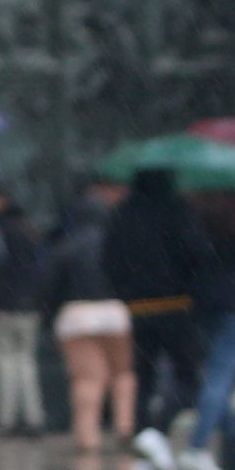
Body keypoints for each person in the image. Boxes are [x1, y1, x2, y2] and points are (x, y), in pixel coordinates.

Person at [102, 168, 218, 470]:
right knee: (190, 377)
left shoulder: (122, 215)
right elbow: (198, 253)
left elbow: (109, 259)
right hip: (177, 305)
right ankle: (159, 428)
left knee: (143, 376)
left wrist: (125, 291)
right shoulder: (178, 212)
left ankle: (144, 434)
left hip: (139, 309)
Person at [42, 185, 137, 455]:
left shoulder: (65, 247)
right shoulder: (117, 244)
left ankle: (87, 436)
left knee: (87, 379)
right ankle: (125, 426)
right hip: (114, 312)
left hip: (77, 316)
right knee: (123, 373)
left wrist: (50, 315)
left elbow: (48, 287)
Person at [185, 192, 235, 470]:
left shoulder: (202, 225)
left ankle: (233, 439)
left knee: (215, 374)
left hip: (204, 304)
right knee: (221, 375)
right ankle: (197, 446)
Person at [0, 186, 45, 436]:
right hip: (27, 306)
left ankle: (4, 419)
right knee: (25, 362)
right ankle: (33, 417)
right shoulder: (28, 230)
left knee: (2, 364)